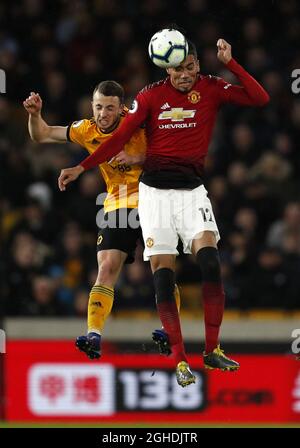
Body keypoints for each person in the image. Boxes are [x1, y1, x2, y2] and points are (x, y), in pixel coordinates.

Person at [58, 37, 270, 387]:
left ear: (198, 66)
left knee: (211, 263)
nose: (184, 75)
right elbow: (117, 137)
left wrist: (231, 63)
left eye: (189, 67)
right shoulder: (150, 96)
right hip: (153, 194)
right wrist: (82, 166)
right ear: (165, 67)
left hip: (192, 191)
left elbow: (260, 98)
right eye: (176, 68)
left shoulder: (212, 88)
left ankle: (212, 349)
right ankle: (180, 360)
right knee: (163, 276)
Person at [23, 80, 181, 359]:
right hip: (118, 201)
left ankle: (170, 330)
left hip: (154, 197)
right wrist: (35, 115)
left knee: (160, 266)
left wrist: (137, 156)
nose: (103, 113)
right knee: (106, 266)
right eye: (98, 107)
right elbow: (42, 135)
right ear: (92, 107)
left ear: (122, 108)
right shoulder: (87, 130)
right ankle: (94, 334)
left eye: (110, 108)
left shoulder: (140, 123)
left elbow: (176, 152)